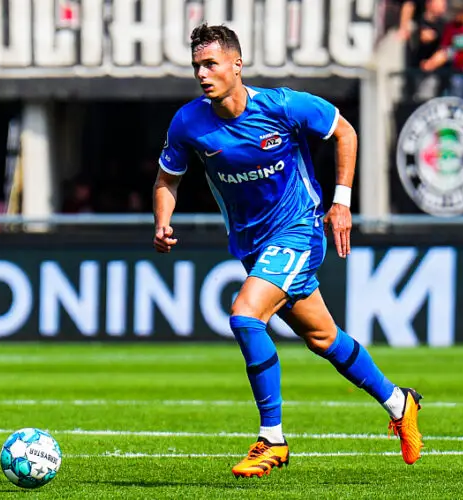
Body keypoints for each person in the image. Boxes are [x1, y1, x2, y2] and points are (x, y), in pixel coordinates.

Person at [152, 23, 424, 478]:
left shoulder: (281, 106)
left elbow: (346, 133)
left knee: (244, 315)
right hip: (252, 246)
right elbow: (167, 179)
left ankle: (272, 439)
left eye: (211, 64)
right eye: (197, 65)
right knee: (323, 338)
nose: (202, 73)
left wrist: (342, 203)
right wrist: (162, 220)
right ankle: (400, 403)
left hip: (299, 231)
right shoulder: (188, 122)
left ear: (237, 66)